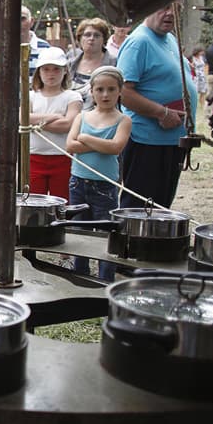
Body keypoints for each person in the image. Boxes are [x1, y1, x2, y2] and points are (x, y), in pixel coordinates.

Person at [115, 0, 197, 210]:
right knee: (139, 207)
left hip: (170, 141)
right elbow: (123, 91)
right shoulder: (139, 42)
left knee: (160, 206)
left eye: (176, 8)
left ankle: (154, 243)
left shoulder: (169, 39)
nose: (171, 14)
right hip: (146, 142)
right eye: (164, 7)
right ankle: (132, 243)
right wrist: (162, 113)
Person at [66, 66, 131, 280]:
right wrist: (99, 144)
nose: (105, 94)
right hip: (78, 183)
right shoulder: (82, 117)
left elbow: (116, 147)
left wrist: (86, 138)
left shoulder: (123, 120)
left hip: (104, 186)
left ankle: (105, 280)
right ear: (91, 91)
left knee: (105, 236)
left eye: (111, 89)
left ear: (119, 91)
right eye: (100, 89)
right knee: (79, 233)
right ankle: (80, 276)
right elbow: (70, 145)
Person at [28, 46, 82, 200]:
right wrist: (56, 116)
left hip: (62, 157)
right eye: (46, 69)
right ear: (39, 71)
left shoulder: (73, 96)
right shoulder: (31, 96)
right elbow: (23, 119)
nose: (51, 74)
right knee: (34, 201)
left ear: (65, 70)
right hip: (34, 156)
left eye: (56, 69)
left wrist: (36, 123)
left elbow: (68, 124)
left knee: (62, 201)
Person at [67, 17, 116, 108]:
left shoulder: (114, 64)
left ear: (104, 39)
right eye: (87, 35)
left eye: (97, 35)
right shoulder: (69, 64)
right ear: (80, 38)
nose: (91, 38)